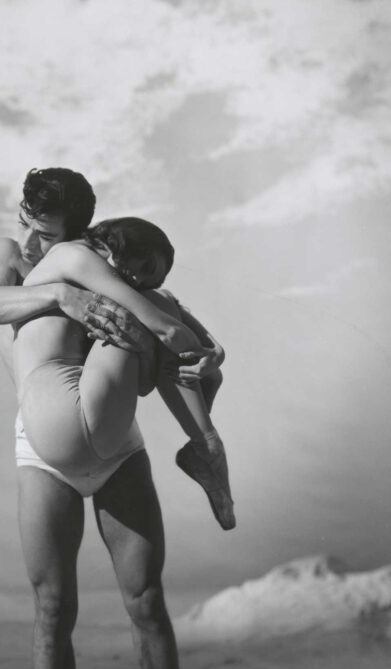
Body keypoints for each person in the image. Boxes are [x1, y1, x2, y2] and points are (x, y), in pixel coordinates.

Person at [0, 167, 227, 669]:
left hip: (114, 440)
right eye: (27, 215)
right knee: (53, 609)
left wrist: (198, 347)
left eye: (45, 223)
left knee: (146, 600)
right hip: (45, 444)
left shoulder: (91, 259)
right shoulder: (12, 256)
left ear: (78, 226)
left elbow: (147, 324)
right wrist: (61, 296)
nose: (30, 229)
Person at [15, 215, 235, 530]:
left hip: (78, 424)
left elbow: (149, 374)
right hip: (61, 418)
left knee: (162, 309)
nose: (137, 280)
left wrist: (214, 354)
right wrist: (204, 355)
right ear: (120, 242)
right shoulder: (76, 257)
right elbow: (168, 330)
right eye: (143, 268)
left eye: (147, 279)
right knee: (158, 309)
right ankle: (207, 446)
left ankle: (206, 446)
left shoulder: (90, 273)